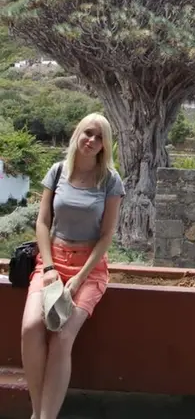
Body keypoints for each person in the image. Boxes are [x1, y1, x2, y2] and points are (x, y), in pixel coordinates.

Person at [21, 113, 125, 419]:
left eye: (99, 137)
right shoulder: (57, 172)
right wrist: (49, 267)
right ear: (77, 134)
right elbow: (43, 222)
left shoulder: (110, 181)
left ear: (105, 145)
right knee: (31, 327)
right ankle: (38, 412)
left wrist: (79, 278)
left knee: (63, 337)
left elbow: (106, 236)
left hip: (89, 270)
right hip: (51, 262)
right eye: (88, 133)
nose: (92, 140)